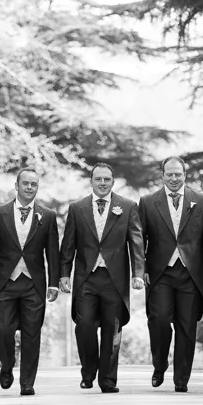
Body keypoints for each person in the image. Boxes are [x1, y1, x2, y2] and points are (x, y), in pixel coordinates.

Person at [59, 163, 145, 393]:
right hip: (86, 278)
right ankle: (88, 370)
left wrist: (138, 273)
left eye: (107, 179)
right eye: (98, 179)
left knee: (112, 331)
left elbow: (136, 242)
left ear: (113, 181)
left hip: (114, 279)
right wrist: (64, 274)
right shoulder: (77, 208)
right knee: (84, 325)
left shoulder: (127, 207)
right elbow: (68, 244)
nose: (103, 183)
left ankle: (107, 380)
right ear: (91, 181)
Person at [138, 156, 203, 392]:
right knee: (160, 320)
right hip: (160, 274)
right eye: (169, 174)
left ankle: (181, 379)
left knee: (187, 326)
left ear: (185, 175)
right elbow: (138, 239)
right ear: (162, 175)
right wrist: (140, 269)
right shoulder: (147, 202)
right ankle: (159, 363)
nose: (174, 179)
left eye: (178, 174)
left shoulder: (201, 201)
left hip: (191, 275)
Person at [0, 168, 60, 396]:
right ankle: (7, 364)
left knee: (32, 333)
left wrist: (53, 283)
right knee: (2, 329)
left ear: (37, 187)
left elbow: (53, 252)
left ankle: (27, 383)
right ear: (16, 185)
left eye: (34, 184)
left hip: (34, 284)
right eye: (25, 183)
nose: (29, 187)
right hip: (5, 282)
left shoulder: (48, 216)